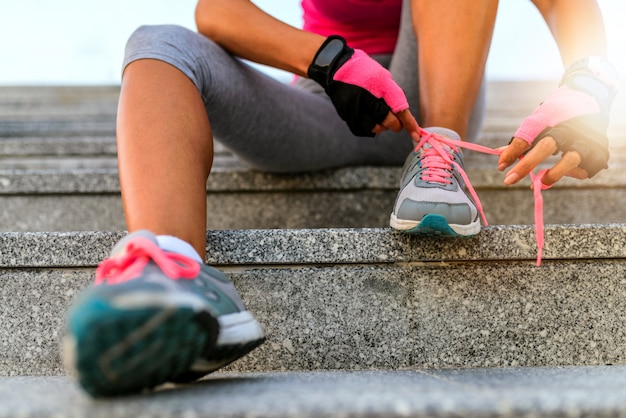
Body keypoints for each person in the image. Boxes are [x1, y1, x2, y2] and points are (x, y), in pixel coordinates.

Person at [62, 0, 618, 397]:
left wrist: (588, 89)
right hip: (328, 100)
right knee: (157, 42)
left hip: (431, 103)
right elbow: (216, 11)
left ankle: (436, 166)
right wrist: (330, 62)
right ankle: (173, 275)